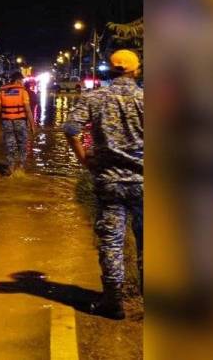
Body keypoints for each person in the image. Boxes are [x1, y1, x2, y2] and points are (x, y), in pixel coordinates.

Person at [63, 49, 143, 320]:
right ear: (135, 70)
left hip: (109, 181)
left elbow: (71, 128)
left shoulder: (95, 97)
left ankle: (114, 301)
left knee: (111, 240)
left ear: (111, 70)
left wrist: (83, 157)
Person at [0, 71, 36, 176]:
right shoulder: (23, 92)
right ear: (17, 80)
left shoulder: (2, 92)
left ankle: (11, 167)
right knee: (22, 144)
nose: (22, 83)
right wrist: (32, 124)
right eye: (21, 80)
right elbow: (28, 110)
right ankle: (20, 167)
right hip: (20, 121)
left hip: (7, 122)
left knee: (9, 144)